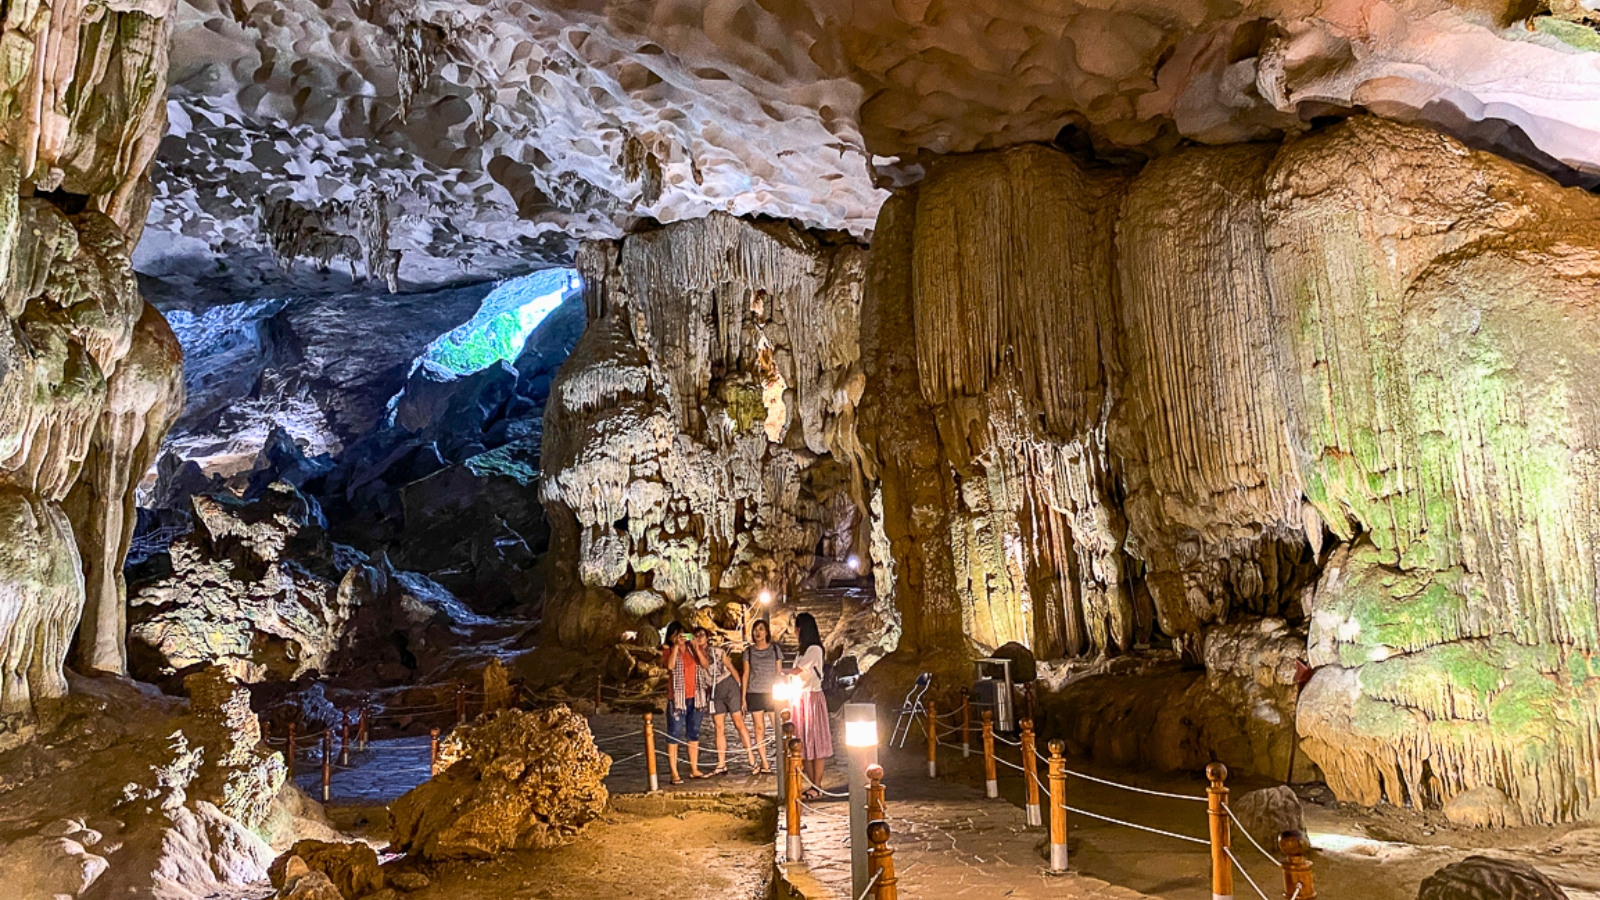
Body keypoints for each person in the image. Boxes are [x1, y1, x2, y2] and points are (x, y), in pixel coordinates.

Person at [696, 626, 758, 775]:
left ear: (707, 637)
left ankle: (752, 759)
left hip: (728, 686)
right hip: (714, 691)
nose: (699, 638)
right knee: (719, 727)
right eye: (696, 635)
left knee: (738, 722)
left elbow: (730, 668)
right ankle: (721, 763)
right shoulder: (694, 655)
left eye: (702, 635)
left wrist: (741, 690)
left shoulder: (717, 651)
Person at [786, 612, 832, 799]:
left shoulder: (814, 649)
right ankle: (812, 784)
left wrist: (779, 671)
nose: (795, 631)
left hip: (811, 699)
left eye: (797, 627)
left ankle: (817, 785)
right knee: (804, 742)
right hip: (800, 698)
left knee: (815, 742)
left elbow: (798, 671)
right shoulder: (802, 651)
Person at [660, 621, 709, 783]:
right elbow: (670, 666)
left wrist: (695, 647)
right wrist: (675, 647)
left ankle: (693, 768)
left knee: (693, 733)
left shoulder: (692, 649)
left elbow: (705, 664)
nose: (681, 638)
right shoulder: (668, 650)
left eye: (683, 634)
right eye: (677, 634)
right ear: (671, 636)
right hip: (677, 699)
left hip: (696, 697)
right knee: (674, 734)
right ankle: (674, 772)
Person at [742, 619, 783, 774]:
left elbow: (779, 673)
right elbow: (746, 674)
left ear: (766, 632)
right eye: (755, 629)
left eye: (760, 629)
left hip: (772, 693)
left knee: (777, 727)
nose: (757, 633)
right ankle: (765, 763)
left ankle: (782, 759)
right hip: (755, 692)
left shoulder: (775, 649)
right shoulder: (749, 652)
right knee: (759, 729)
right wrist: (743, 698)